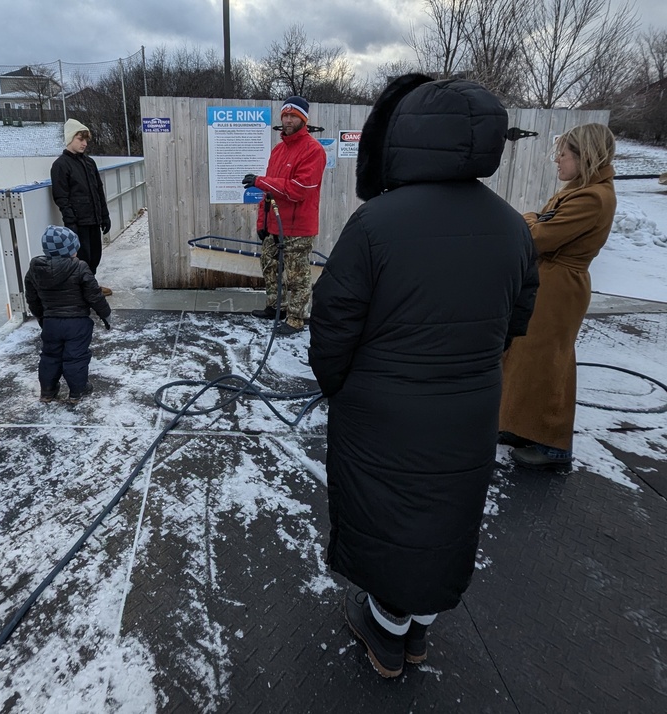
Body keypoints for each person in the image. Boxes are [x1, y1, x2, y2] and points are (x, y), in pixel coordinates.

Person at [308, 75, 539, 678]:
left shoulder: (376, 222)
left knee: (386, 514)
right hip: (470, 405)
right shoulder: (514, 226)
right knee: (445, 518)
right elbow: (518, 318)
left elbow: (333, 321)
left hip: (381, 408)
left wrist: (338, 384)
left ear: (405, 138)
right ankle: (416, 633)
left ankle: (385, 635)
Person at [499, 124, 617, 470]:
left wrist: (533, 219)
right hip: (549, 283)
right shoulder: (581, 190)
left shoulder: (592, 197)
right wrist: (536, 220)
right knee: (525, 357)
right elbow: (538, 225)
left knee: (550, 364)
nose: (557, 161)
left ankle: (552, 445)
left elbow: (538, 236)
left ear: (585, 156)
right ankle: (520, 426)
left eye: (563, 155)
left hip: (560, 288)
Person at [242, 96, 327, 336]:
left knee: (296, 275)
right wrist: (262, 221)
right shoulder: (278, 150)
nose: (288, 120)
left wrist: (260, 180)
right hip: (274, 224)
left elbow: (299, 189)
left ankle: (296, 319)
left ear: (303, 120)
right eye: (285, 116)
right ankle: (276, 307)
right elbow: (269, 192)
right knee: (269, 265)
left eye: (294, 116)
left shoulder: (313, 150)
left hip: (298, 227)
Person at [25, 225, 111, 404]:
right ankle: (77, 391)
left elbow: (32, 298)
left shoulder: (35, 269)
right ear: (70, 250)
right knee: (75, 356)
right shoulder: (80, 267)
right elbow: (94, 295)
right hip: (77, 323)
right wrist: (105, 314)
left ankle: (48, 391)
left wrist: (42, 317)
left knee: (50, 356)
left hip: (51, 323)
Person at [50, 119, 113, 296]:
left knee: (95, 256)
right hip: (78, 222)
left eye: (86, 140)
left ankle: (90, 285)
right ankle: (83, 291)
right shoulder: (60, 165)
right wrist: (71, 223)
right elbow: (61, 197)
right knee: (82, 258)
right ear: (70, 138)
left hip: (94, 219)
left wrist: (105, 215)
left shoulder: (89, 163)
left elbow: (99, 191)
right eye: (80, 139)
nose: (84, 143)